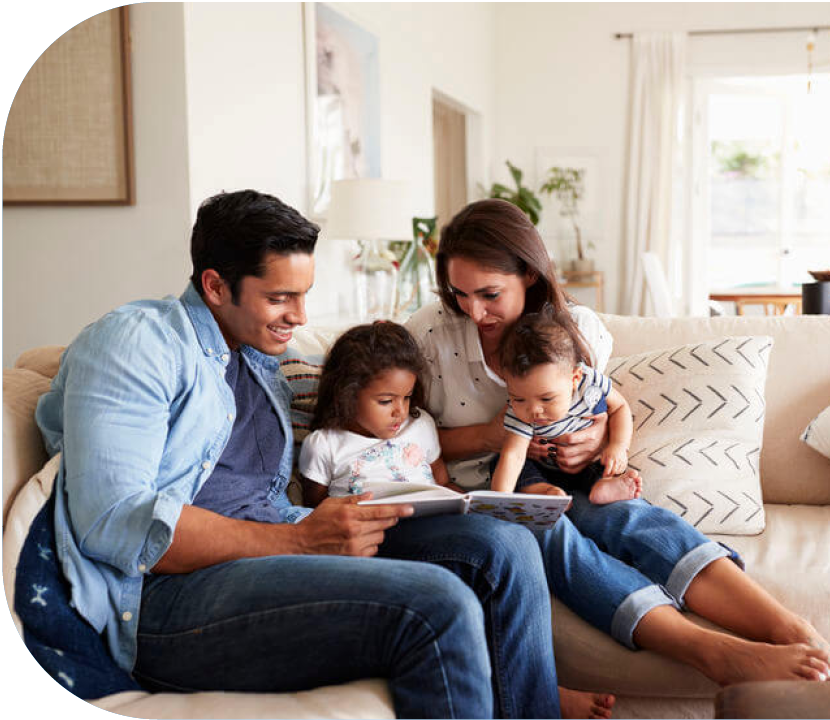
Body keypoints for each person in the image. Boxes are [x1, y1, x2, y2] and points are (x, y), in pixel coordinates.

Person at [28, 190, 612, 718]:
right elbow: (115, 524)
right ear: (214, 286)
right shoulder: (136, 343)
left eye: (304, 296)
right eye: (280, 298)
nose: (301, 318)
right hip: (168, 598)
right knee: (438, 606)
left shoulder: (259, 361)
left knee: (503, 543)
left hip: (283, 544)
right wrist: (300, 539)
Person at [405, 198, 830, 685]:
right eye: (459, 293)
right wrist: (489, 435)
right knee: (545, 533)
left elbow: (600, 408)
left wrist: (596, 441)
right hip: (484, 491)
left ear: (530, 276)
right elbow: (402, 441)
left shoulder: (575, 330)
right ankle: (712, 652)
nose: (473, 311)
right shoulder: (431, 333)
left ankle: (793, 629)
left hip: (566, 476)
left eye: (489, 294)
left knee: (629, 517)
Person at [490, 308, 642, 504]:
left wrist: (618, 446)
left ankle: (604, 486)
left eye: (546, 399)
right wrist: (498, 502)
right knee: (500, 463)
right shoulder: (519, 413)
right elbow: (514, 455)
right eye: (519, 399)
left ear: (575, 378)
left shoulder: (589, 385)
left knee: (607, 463)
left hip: (588, 463)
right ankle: (543, 490)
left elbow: (620, 407)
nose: (534, 410)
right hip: (545, 470)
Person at [298, 321, 452, 504]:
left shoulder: (421, 423)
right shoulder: (324, 445)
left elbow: (443, 484)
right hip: (373, 528)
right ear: (347, 394)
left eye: (407, 397)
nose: (401, 412)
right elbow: (316, 512)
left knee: (485, 528)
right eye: (385, 401)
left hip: (433, 522)